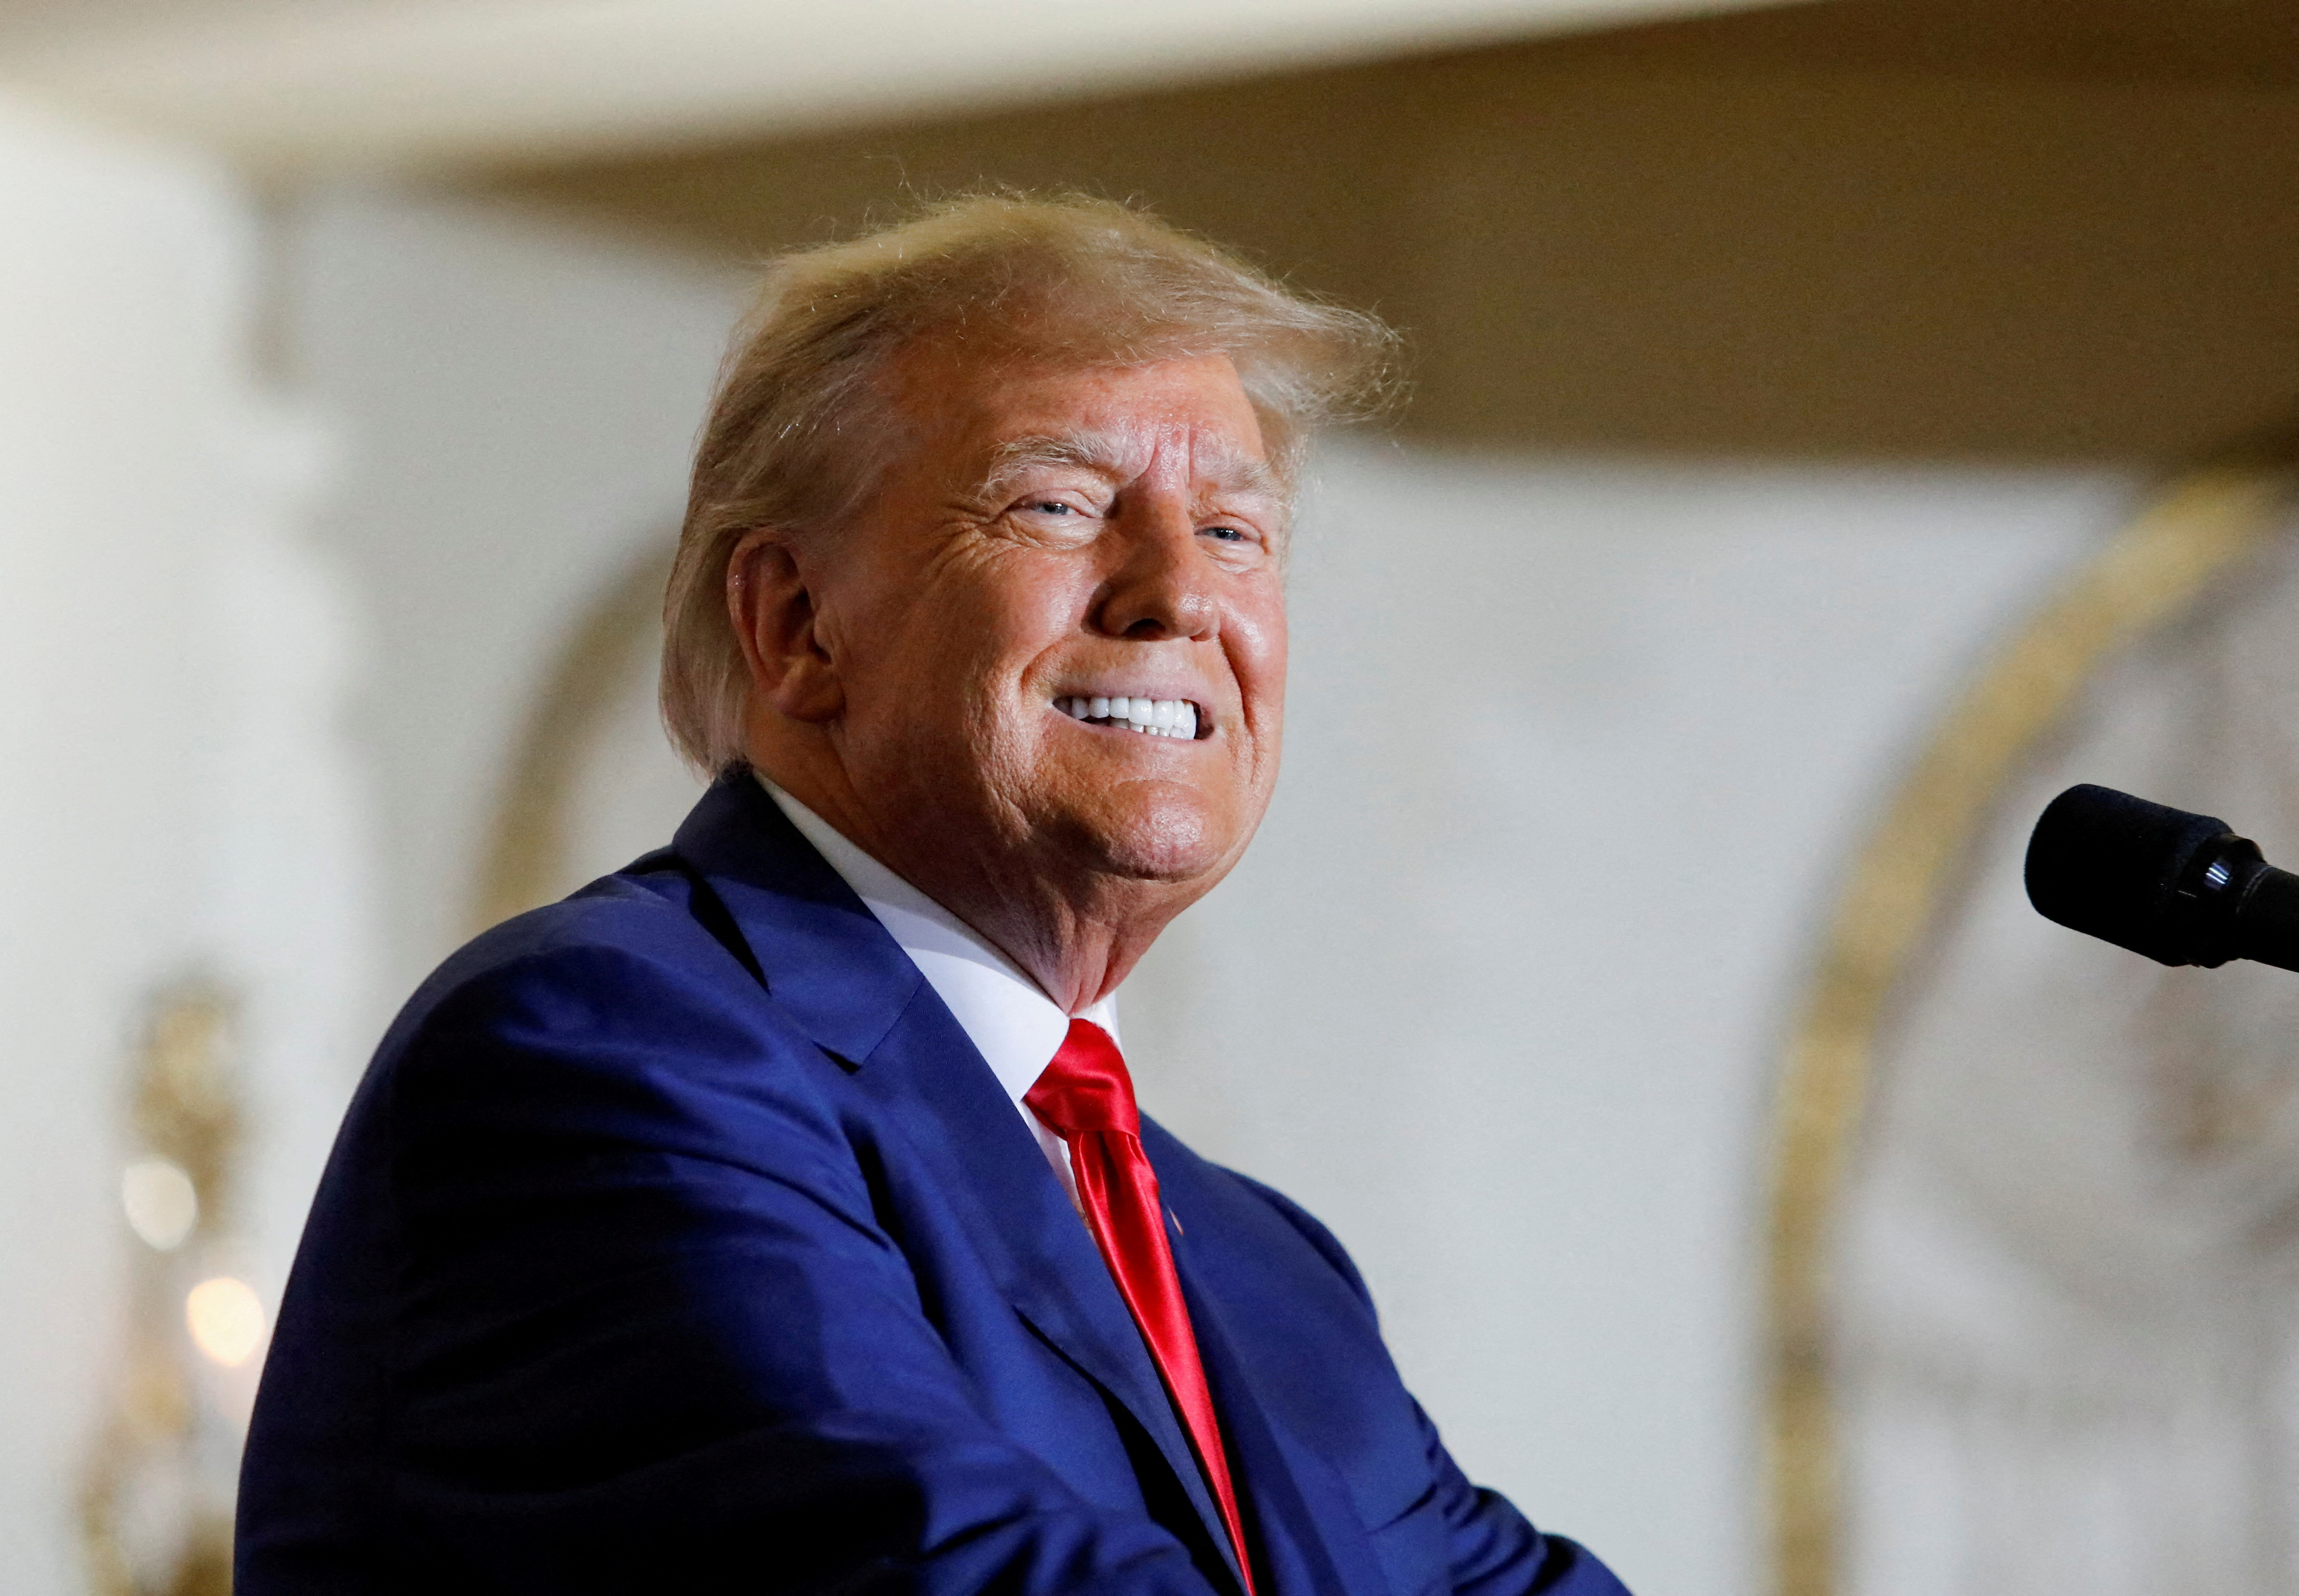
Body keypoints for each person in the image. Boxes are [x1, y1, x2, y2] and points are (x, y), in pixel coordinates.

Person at [237, 193, 1631, 1596]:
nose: (1175, 596)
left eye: (1231, 531)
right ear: (797, 627)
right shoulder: (603, 1051)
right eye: (1059, 505)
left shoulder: (1265, 1270)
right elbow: (942, 1570)